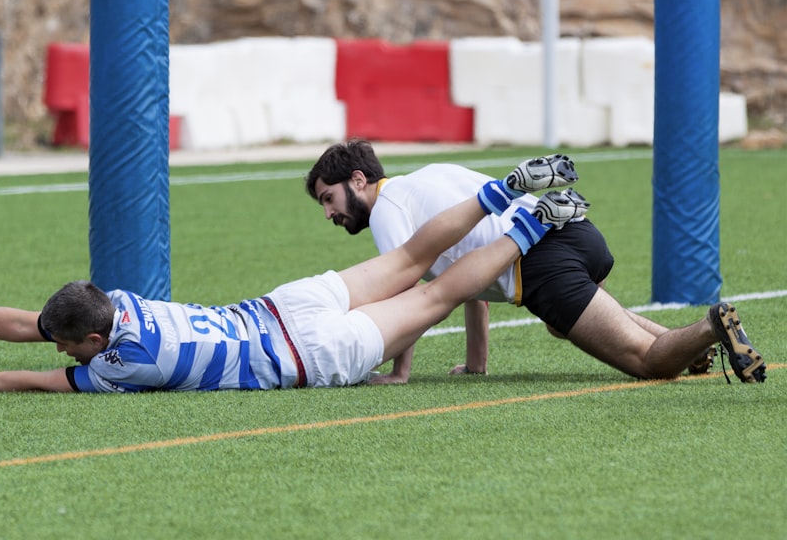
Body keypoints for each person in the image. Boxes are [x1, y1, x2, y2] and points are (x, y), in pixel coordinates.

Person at [0, 156, 589, 393]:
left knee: (433, 290)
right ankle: (504, 191)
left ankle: (535, 222)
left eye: (68, 348)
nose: (61, 352)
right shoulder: (119, 305)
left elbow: (27, 374)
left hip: (306, 355)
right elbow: (29, 329)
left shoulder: (126, 364)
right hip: (279, 307)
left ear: (95, 343)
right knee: (405, 263)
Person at [305, 139, 767, 384]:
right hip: (572, 229)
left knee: (647, 365)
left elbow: (406, 293)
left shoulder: (387, 212)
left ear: (359, 179)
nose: (329, 214)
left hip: (536, 258)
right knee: (567, 323)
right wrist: (476, 365)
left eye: (329, 199)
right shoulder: (427, 177)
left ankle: (709, 327)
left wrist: (399, 372)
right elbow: (471, 287)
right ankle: (688, 343)